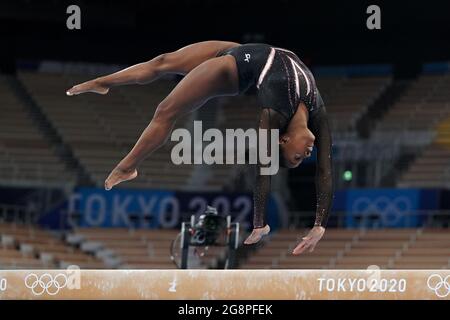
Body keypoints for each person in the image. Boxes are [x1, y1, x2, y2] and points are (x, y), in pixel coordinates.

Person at [66, 41, 333, 255]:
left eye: (298, 158)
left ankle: (128, 167)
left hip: (233, 70)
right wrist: (320, 225)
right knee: (161, 62)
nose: (308, 154)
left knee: (165, 110)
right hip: (244, 50)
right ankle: (104, 83)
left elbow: (264, 170)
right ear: (282, 141)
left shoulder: (273, 115)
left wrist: (260, 223)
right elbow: (325, 171)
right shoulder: (317, 112)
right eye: (300, 157)